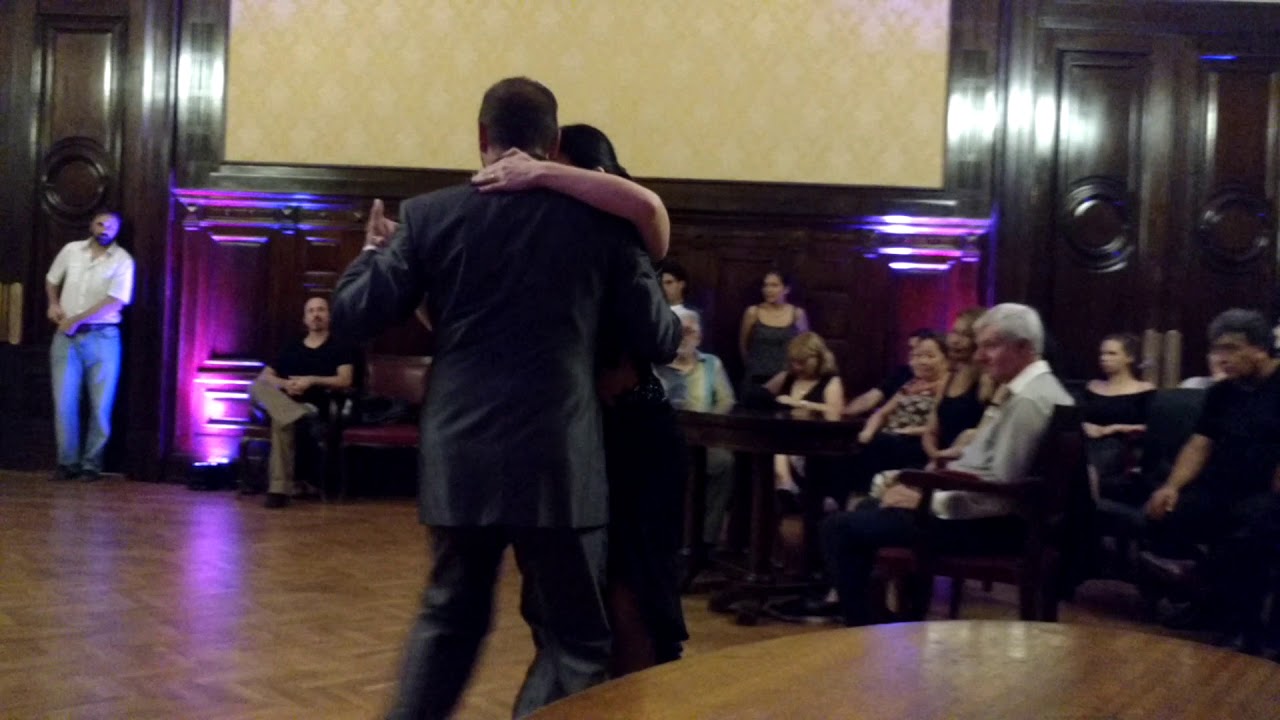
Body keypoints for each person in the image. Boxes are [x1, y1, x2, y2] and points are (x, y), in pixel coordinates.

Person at [331, 78, 680, 719]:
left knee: (448, 621)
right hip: (560, 457)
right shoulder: (602, 223)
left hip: (458, 452)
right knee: (576, 640)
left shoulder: (429, 215)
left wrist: (371, 253)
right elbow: (661, 336)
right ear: (551, 142)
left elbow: (353, 314)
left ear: (481, 138)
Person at [475, 122, 689, 674]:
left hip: (634, 434)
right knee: (564, 597)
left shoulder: (626, 236)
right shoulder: (544, 247)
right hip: (572, 437)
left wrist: (540, 169)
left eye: (558, 169)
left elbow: (647, 205)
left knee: (631, 589)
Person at [820, 303, 1073, 627]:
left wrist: (927, 499)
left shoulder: (1028, 400)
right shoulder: (1039, 389)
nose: (979, 356)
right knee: (869, 507)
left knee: (838, 529)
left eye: (990, 346)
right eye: (979, 345)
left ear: (1023, 348)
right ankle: (893, 623)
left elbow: (1001, 489)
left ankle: (865, 630)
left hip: (992, 530)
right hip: (987, 518)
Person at [1144, 309, 1280, 653]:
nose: (1222, 359)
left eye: (1231, 349)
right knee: (1166, 514)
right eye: (1217, 350)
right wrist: (1172, 486)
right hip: (1223, 487)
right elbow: (1200, 443)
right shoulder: (1223, 393)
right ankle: (1206, 595)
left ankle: (1242, 626)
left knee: (1252, 528)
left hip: (1267, 491)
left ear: (1261, 348)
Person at [45, 210, 135, 482]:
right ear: (91, 226)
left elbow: (115, 300)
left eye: (111, 226)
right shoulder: (71, 251)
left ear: (117, 231)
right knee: (64, 402)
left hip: (103, 336)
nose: (105, 229)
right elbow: (51, 279)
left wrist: (77, 320)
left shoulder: (123, 260)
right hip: (66, 337)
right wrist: (53, 303)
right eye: (100, 223)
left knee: (100, 405)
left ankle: (91, 464)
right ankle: (67, 462)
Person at [248, 296, 356, 508]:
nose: (316, 315)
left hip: (314, 406)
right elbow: (265, 377)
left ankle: (278, 492)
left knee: (281, 422)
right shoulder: (292, 346)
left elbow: (345, 379)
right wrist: (285, 384)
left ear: (328, 316)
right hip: (287, 402)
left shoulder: (340, 346)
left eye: (321, 310)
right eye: (311, 311)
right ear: (305, 319)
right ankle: (294, 415)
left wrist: (311, 380)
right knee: (254, 387)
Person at [654, 307, 735, 570]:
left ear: (699, 336)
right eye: (678, 331)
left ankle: (705, 541)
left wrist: (708, 425)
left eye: (689, 331)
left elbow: (726, 400)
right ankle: (666, 540)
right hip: (665, 441)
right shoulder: (655, 365)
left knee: (723, 462)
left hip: (705, 439)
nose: (684, 337)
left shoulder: (712, 364)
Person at [1082, 333, 1155, 507]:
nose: (1104, 358)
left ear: (1129, 357)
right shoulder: (1092, 386)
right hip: (1087, 440)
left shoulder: (1144, 389)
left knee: (1094, 462)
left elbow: (1153, 427)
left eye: (1112, 354)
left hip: (1121, 445)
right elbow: (1076, 417)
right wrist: (1087, 427)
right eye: (1102, 354)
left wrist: (1115, 428)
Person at [738, 270, 809, 391]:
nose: (768, 290)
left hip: (787, 380)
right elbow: (743, 345)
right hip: (756, 378)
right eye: (765, 285)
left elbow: (806, 349)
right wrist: (752, 366)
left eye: (774, 285)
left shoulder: (797, 314)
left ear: (786, 289)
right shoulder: (753, 312)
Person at [844, 328, 939, 416]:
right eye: (910, 348)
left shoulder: (942, 380)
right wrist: (844, 413)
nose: (912, 353)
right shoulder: (902, 373)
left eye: (917, 348)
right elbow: (870, 398)